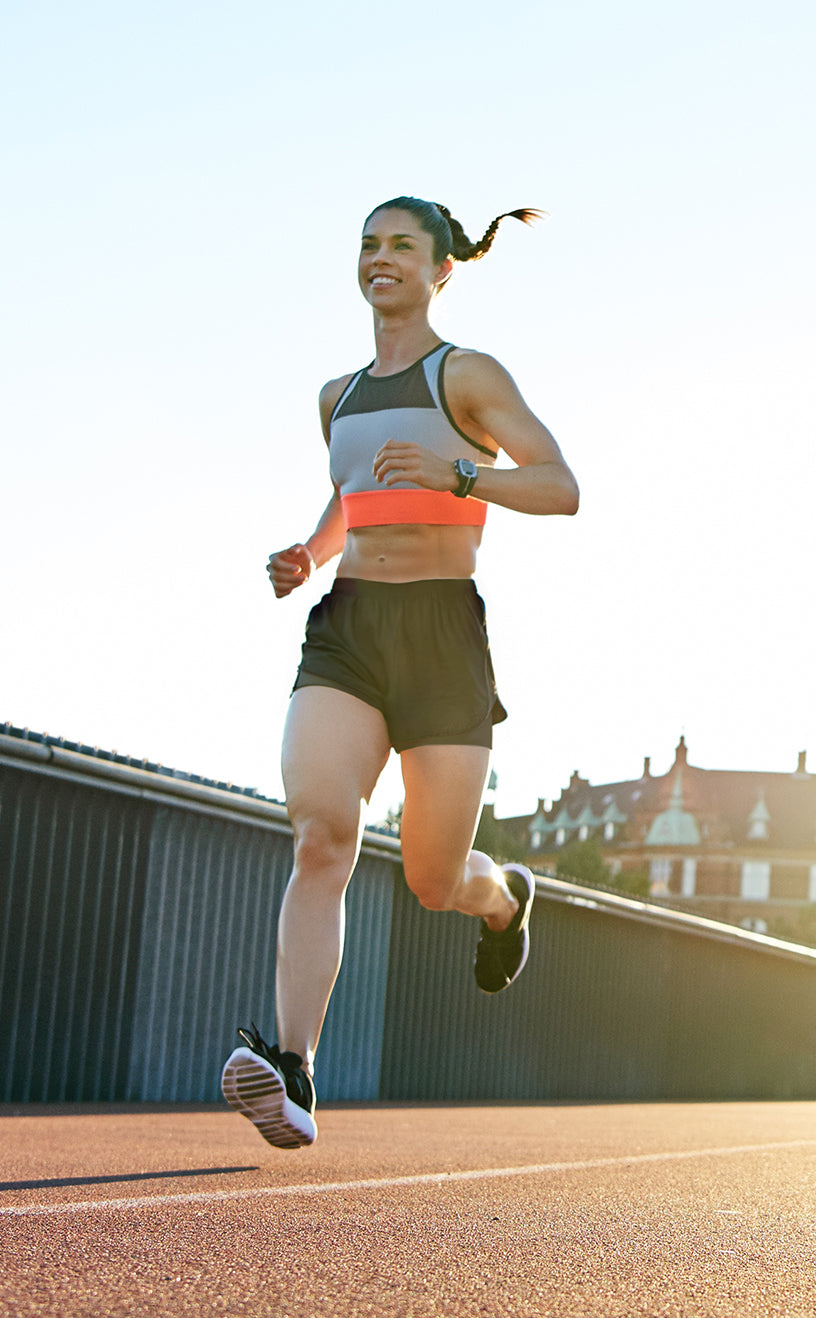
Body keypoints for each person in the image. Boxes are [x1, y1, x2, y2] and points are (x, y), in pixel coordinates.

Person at [220, 196, 579, 1150]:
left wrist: (460, 474)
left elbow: (560, 487)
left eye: (402, 248)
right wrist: (307, 554)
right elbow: (352, 493)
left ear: (440, 270)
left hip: (442, 633)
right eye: (369, 246)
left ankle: (501, 898)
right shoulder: (335, 396)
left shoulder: (467, 374)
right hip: (349, 628)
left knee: (431, 878)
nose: (381, 260)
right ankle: (294, 1071)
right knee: (321, 834)